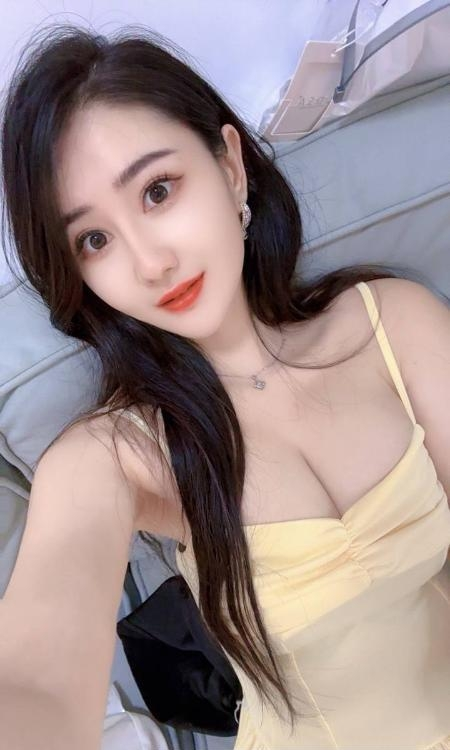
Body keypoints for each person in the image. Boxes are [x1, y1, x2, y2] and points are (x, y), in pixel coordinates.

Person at [0, 23, 449, 750]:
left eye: (157, 191)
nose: (150, 263)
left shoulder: (393, 323)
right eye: (94, 240)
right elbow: (38, 679)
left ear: (231, 166)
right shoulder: (119, 453)